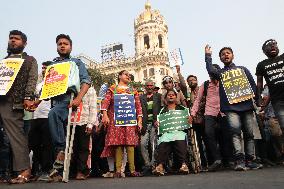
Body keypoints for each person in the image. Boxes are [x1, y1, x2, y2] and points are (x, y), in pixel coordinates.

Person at [205, 44, 262, 170]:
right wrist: (208, 56)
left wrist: (257, 101)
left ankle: (250, 159)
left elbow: (253, 85)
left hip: (246, 106)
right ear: (220, 58)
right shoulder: (220, 73)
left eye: (228, 53)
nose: (226, 55)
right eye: (223, 54)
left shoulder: (243, 69)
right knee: (235, 134)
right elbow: (210, 70)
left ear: (232, 55)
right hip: (231, 108)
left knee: (249, 134)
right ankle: (240, 161)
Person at [48, 34, 91, 181]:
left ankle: (62, 152)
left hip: (69, 100)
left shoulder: (76, 62)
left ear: (70, 47)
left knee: (54, 115)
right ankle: (60, 160)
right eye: (59, 43)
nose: (62, 45)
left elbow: (86, 81)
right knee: (53, 118)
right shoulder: (52, 65)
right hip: (55, 99)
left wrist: (79, 98)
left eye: (65, 43)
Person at [0, 30, 38, 184]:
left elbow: (32, 79)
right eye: (11, 38)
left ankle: (24, 170)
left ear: (24, 43)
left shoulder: (29, 60)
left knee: (16, 136)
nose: (13, 41)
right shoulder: (3, 61)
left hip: (13, 101)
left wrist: (28, 97)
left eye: (16, 39)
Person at [191, 64, 233, 171]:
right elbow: (197, 100)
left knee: (226, 136)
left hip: (224, 112)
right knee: (209, 133)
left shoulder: (225, 83)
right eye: (212, 73)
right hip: (209, 113)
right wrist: (192, 114)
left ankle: (228, 160)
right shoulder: (204, 85)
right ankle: (217, 159)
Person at [101, 70, 143, 177]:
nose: (128, 76)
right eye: (125, 74)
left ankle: (132, 170)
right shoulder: (112, 88)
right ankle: (118, 170)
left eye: (129, 75)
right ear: (119, 76)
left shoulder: (133, 91)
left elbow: (138, 106)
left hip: (130, 120)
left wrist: (140, 120)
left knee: (130, 144)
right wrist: (105, 115)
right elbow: (105, 102)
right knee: (118, 144)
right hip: (116, 120)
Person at [153, 89, 190, 176]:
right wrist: (156, 123)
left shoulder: (182, 109)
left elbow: (188, 122)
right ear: (165, 98)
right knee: (163, 141)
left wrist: (190, 119)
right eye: (169, 95)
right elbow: (157, 122)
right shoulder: (162, 111)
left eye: (173, 94)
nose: (171, 96)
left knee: (180, 139)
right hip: (166, 133)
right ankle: (160, 166)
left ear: (176, 97)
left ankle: (184, 165)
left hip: (179, 132)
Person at [28, 61, 54, 181]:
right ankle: (36, 170)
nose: (44, 70)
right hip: (35, 116)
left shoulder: (54, 83)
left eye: (46, 68)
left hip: (48, 116)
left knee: (47, 145)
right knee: (34, 144)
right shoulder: (38, 85)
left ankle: (46, 170)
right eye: (43, 68)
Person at [70, 86, 97, 180]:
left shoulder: (90, 89)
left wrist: (90, 124)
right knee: (73, 147)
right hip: (70, 121)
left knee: (83, 147)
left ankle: (81, 171)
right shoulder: (71, 87)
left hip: (84, 121)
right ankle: (73, 170)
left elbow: (93, 107)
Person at [256, 39, 284, 129]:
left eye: (275, 44)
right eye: (269, 45)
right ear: (264, 51)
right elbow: (259, 82)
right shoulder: (261, 65)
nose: (272, 46)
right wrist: (259, 97)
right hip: (277, 100)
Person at [139, 80, 162, 175]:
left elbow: (162, 109)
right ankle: (147, 164)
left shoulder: (159, 97)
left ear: (153, 86)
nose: (149, 87)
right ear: (145, 87)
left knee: (153, 144)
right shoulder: (141, 98)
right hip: (144, 124)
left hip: (154, 123)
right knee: (142, 144)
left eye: (151, 85)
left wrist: (159, 120)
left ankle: (153, 164)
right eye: (147, 85)